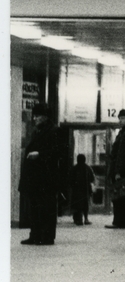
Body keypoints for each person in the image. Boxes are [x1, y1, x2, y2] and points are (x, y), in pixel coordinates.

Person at [20, 103, 60, 245]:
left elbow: (57, 152)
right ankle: (35, 235)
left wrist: (40, 154)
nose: (35, 118)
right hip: (34, 176)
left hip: (46, 177)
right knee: (34, 207)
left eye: (38, 116)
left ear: (45, 117)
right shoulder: (36, 131)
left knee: (46, 207)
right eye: (34, 116)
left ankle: (47, 236)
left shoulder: (54, 131)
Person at [106, 109, 125, 229]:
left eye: (123, 118)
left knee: (120, 196)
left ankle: (120, 221)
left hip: (123, 171)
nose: (120, 120)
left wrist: (118, 171)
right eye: (119, 118)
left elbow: (123, 154)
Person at [69, 154, 95, 226]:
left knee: (77, 205)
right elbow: (92, 178)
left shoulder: (74, 168)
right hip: (85, 190)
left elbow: (70, 180)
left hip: (76, 190)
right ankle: (86, 219)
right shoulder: (88, 168)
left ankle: (78, 219)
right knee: (85, 205)